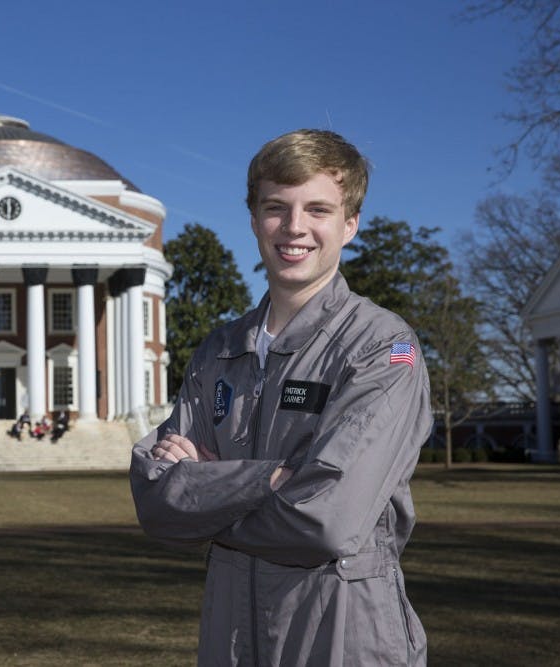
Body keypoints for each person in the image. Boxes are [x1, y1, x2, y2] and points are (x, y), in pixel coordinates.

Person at [130, 129, 430, 666]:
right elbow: (157, 505)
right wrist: (271, 479)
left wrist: (208, 488)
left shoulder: (383, 348)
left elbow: (327, 523)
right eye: (276, 207)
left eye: (318, 209)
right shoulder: (218, 352)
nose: (295, 227)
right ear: (254, 220)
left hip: (340, 634)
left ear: (350, 224)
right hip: (231, 636)